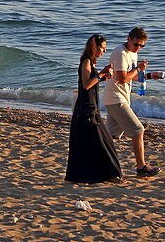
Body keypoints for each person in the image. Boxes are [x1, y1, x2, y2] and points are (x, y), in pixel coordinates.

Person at [102, 27, 160, 177]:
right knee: (138, 130)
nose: (138, 48)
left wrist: (148, 75)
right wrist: (138, 69)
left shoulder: (132, 53)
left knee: (111, 136)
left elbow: (131, 75)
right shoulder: (120, 53)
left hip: (118, 98)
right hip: (116, 98)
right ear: (129, 39)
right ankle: (141, 167)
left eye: (142, 46)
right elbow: (122, 79)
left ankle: (94, 160)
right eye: (136, 44)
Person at [65, 34, 122, 184]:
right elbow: (86, 85)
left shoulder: (91, 63)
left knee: (87, 143)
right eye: (102, 48)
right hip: (86, 109)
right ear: (94, 46)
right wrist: (101, 75)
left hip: (91, 107)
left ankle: (85, 176)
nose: (104, 51)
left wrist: (102, 75)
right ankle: (111, 175)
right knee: (104, 141)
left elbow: (92, 81)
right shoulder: (86, 61)